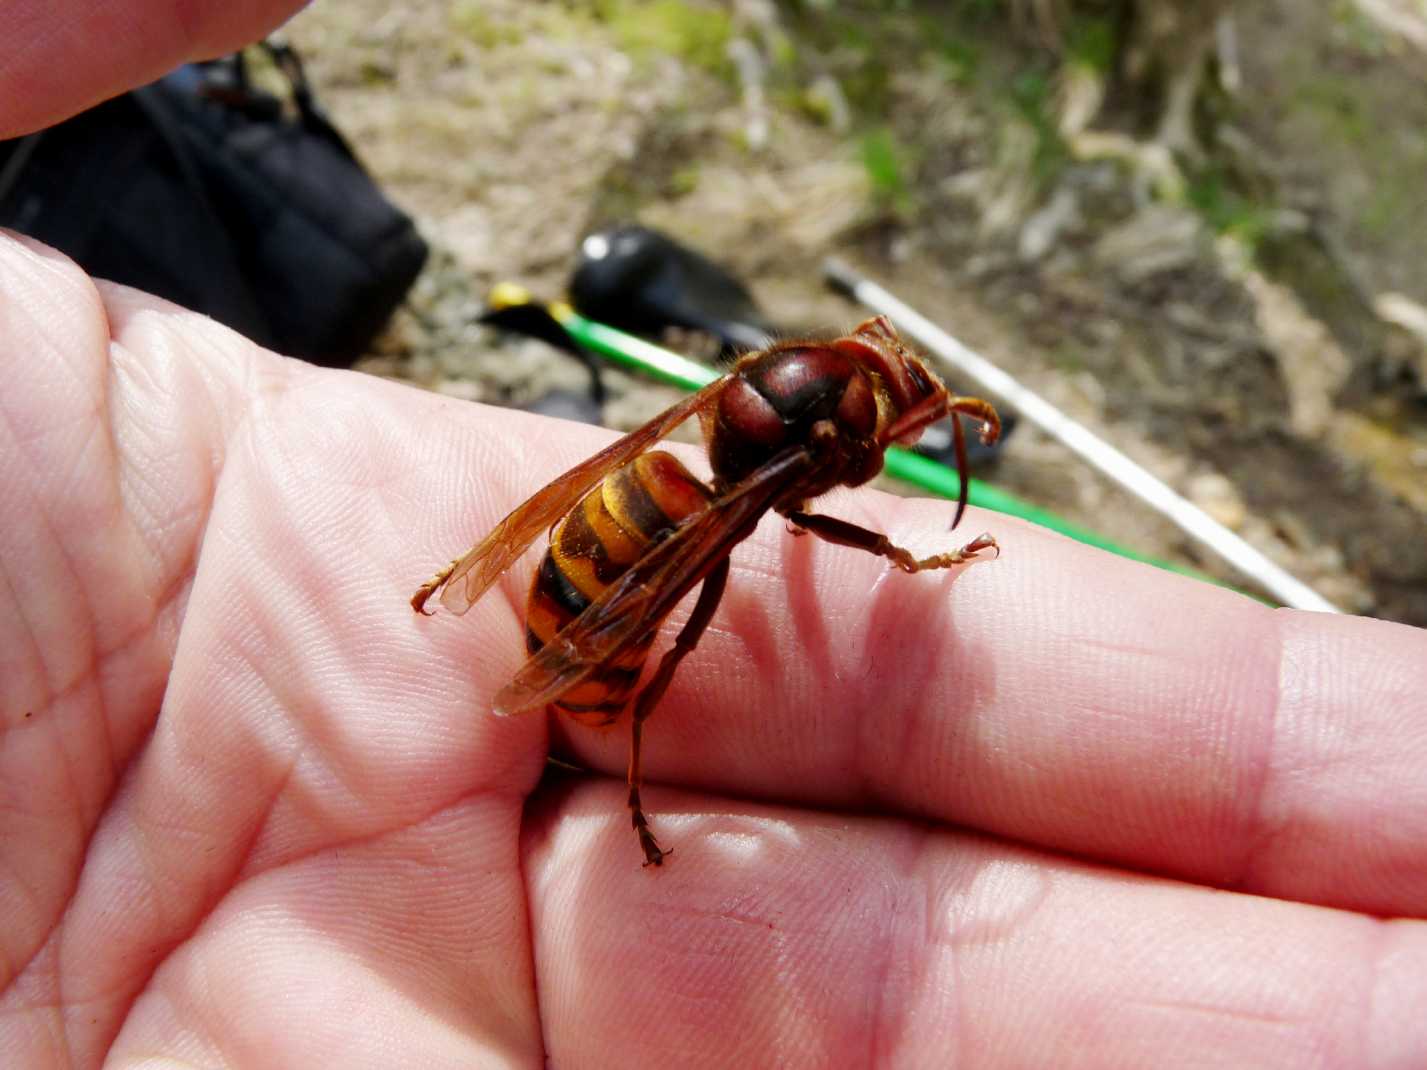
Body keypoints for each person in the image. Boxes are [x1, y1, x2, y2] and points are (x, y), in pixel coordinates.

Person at [3, 3, 1426, 1065]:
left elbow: (784, 463)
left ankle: (552, 662)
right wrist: (922, 548)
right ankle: (622, 766)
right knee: (675, 618)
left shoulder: (750, 412)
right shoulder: (782, 470)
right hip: (628, 571)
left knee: (640, 530)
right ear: (829, 417)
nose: (889, 420)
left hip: (644, 496)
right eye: (877, 406)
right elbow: (805, 509)